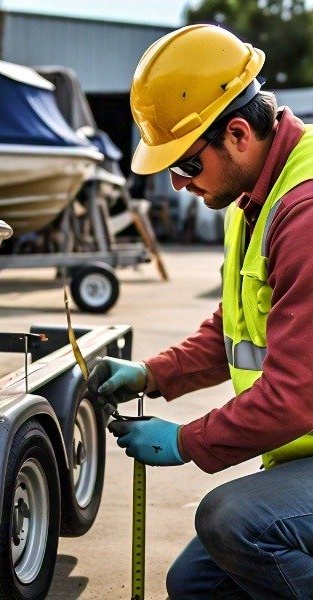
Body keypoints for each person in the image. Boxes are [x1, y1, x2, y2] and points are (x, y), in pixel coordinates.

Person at [88, 24, 313, 599]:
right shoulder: (254, 200)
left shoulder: (305, 211)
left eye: (186, 164)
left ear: (237, 133)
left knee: (233, 520)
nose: (176, 182)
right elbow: (235, 328)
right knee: (196, 587)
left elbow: (295, 394)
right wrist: (156, 374)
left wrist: (185, 441)